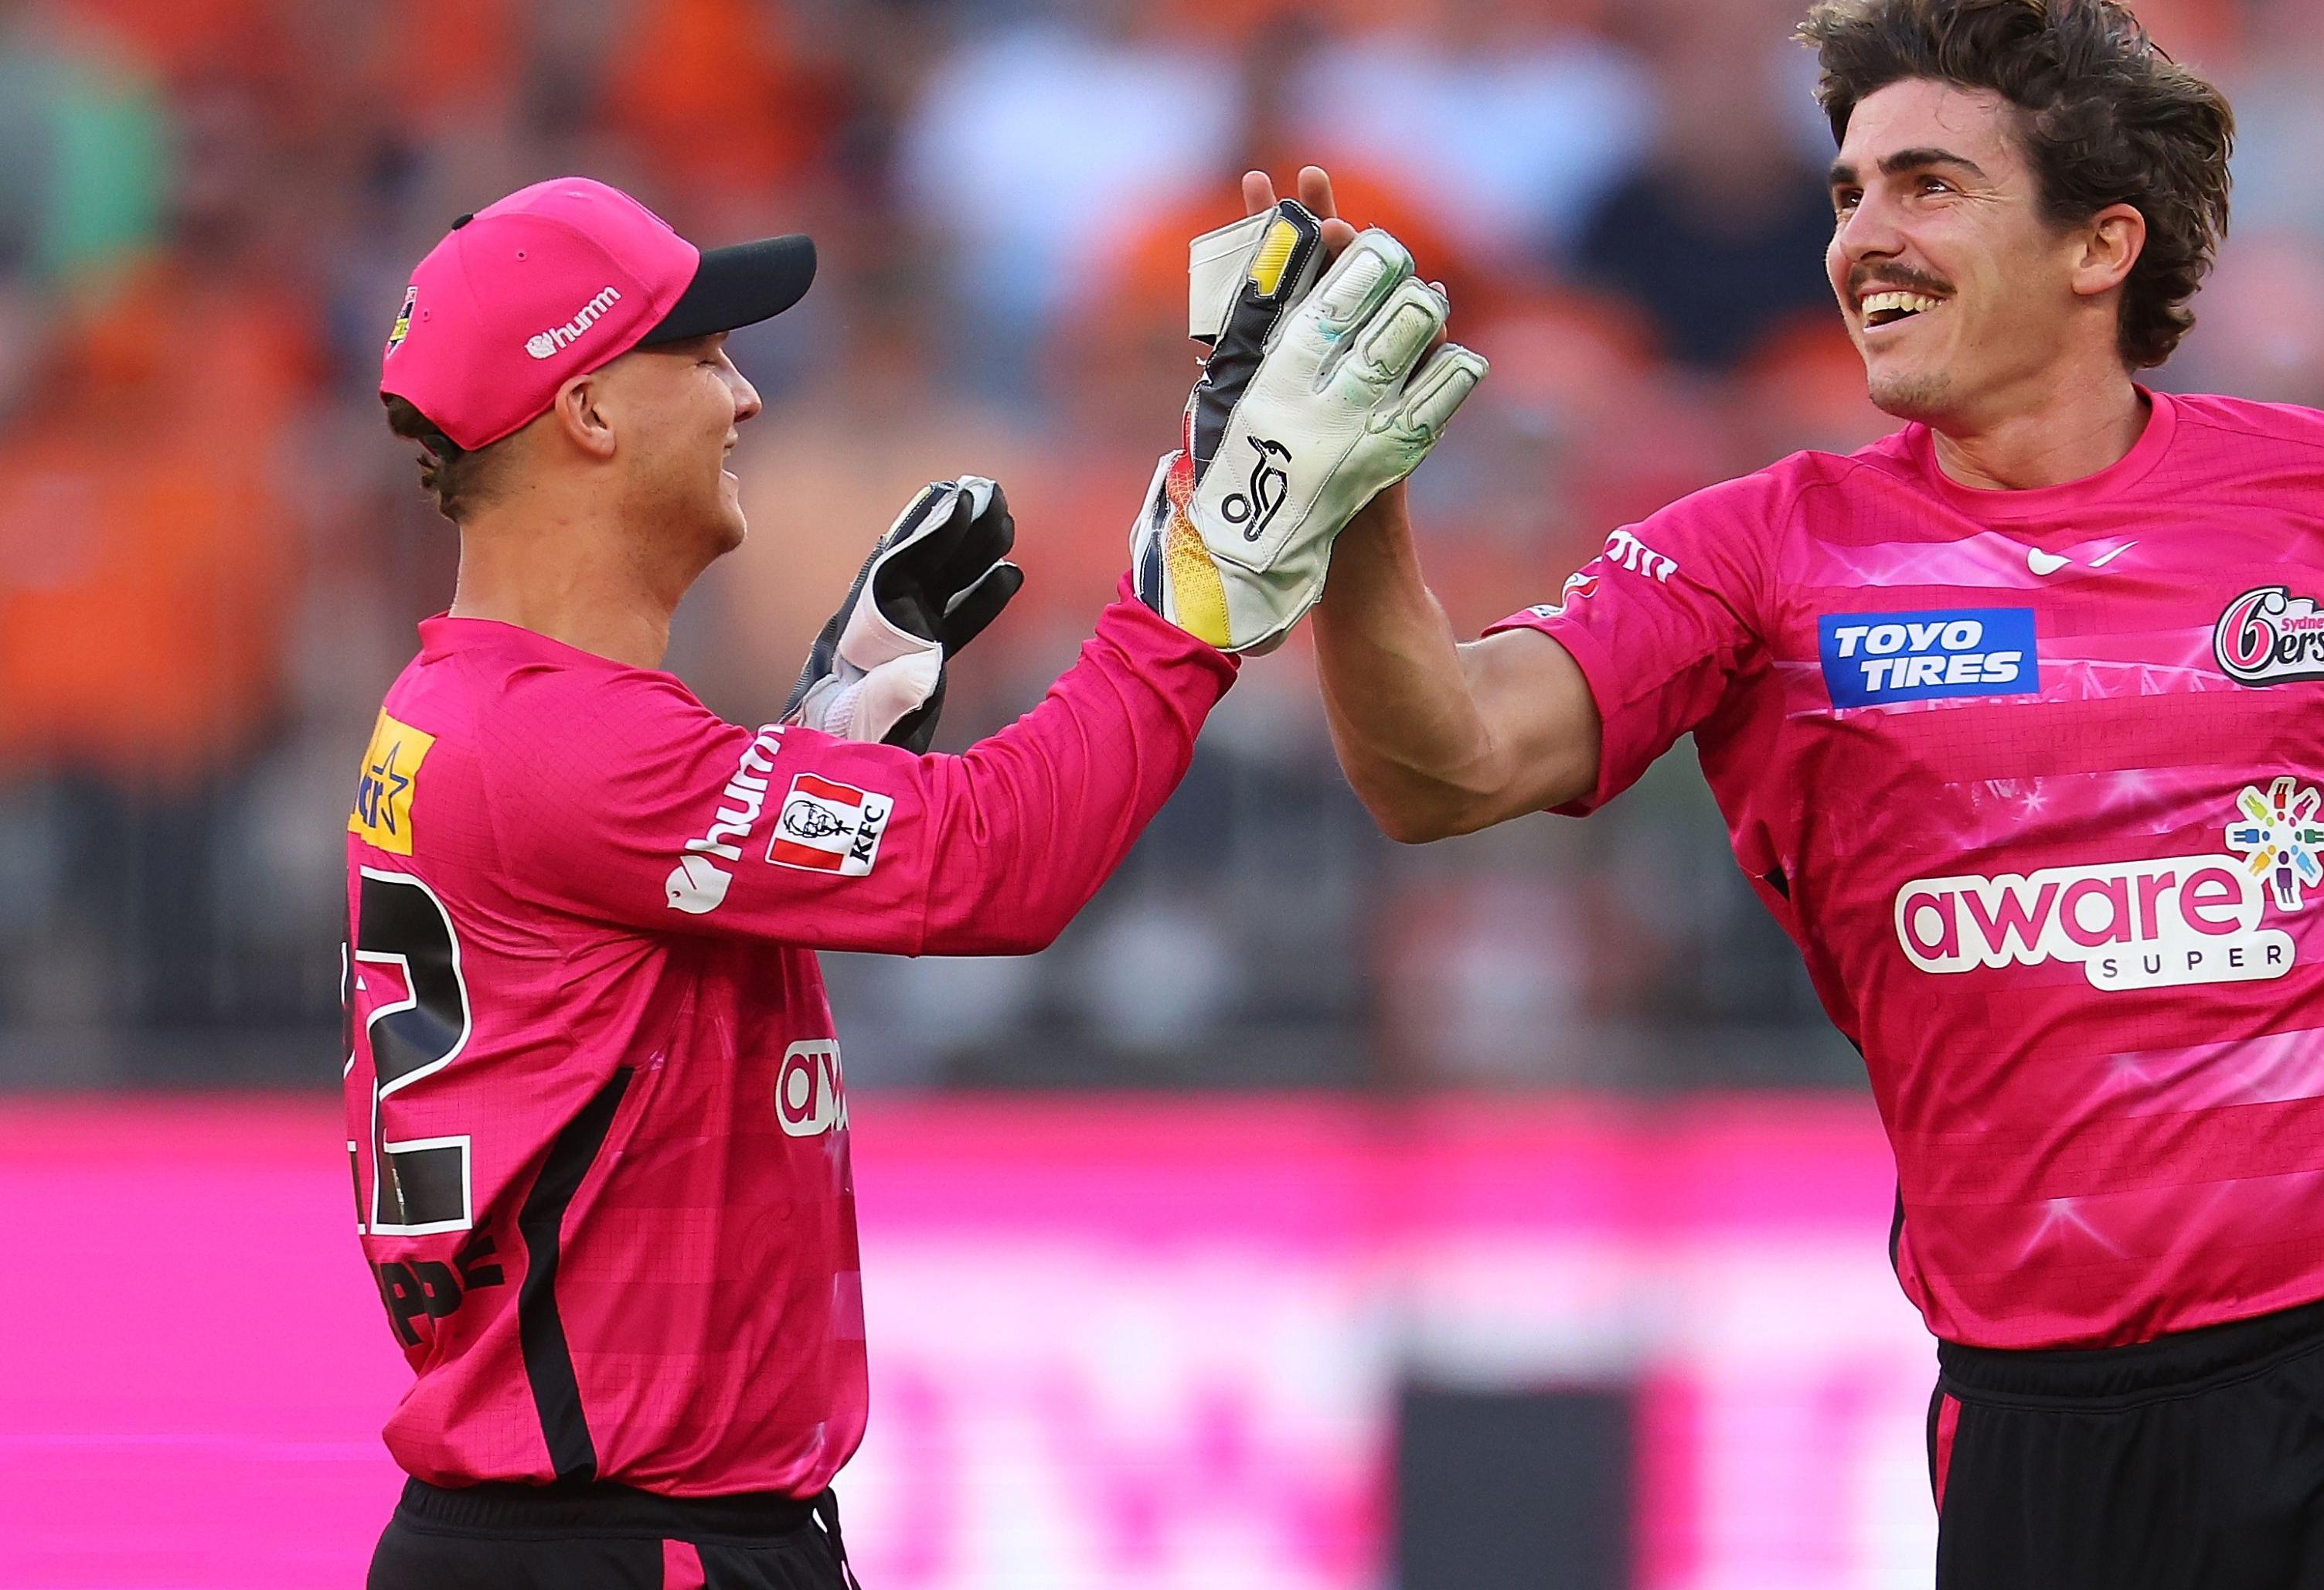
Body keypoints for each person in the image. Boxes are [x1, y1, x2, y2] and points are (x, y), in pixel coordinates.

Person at [1295, 0, 2324, 1590]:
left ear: (2104, 243)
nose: (1862, 236)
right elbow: (1441, 768)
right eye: (1849, 190)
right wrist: (1351, 512)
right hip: (2044, 1437)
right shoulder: (1758, 557)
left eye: (1928, 185)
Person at [345, 175, 1478, 1588]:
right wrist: (1203, 588)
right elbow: (1000, 865)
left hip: (604, 1529)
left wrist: (821, 740)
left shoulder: (484, 710)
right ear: (588, 413)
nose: (745, 397)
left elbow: (636, 920)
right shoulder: (569, 746)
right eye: (700, 358)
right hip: (620, 1542)